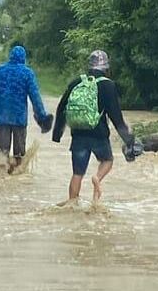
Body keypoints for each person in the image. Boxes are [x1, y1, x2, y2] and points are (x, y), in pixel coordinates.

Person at [50, 49, 140, 205]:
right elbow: (116, 116)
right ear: (106, 68)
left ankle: (72, 204)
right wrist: (129, 140)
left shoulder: (77, 82)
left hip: (78, 134)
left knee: (77, 173)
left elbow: (61, 107)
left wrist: (57, 134)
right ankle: (97, 179)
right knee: (107, 160)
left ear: (89, 66)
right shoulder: (108, 85)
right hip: (99, 135)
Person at [0, 44, 51, 173]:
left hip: (2, 118)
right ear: (24, 58)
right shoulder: (27, 73)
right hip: (19, 119)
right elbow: (35, 97)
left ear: (10, 56)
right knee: (19, 157)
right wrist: (42, 117)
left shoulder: (0, 71)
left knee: (1, 154)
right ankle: (17, 179)